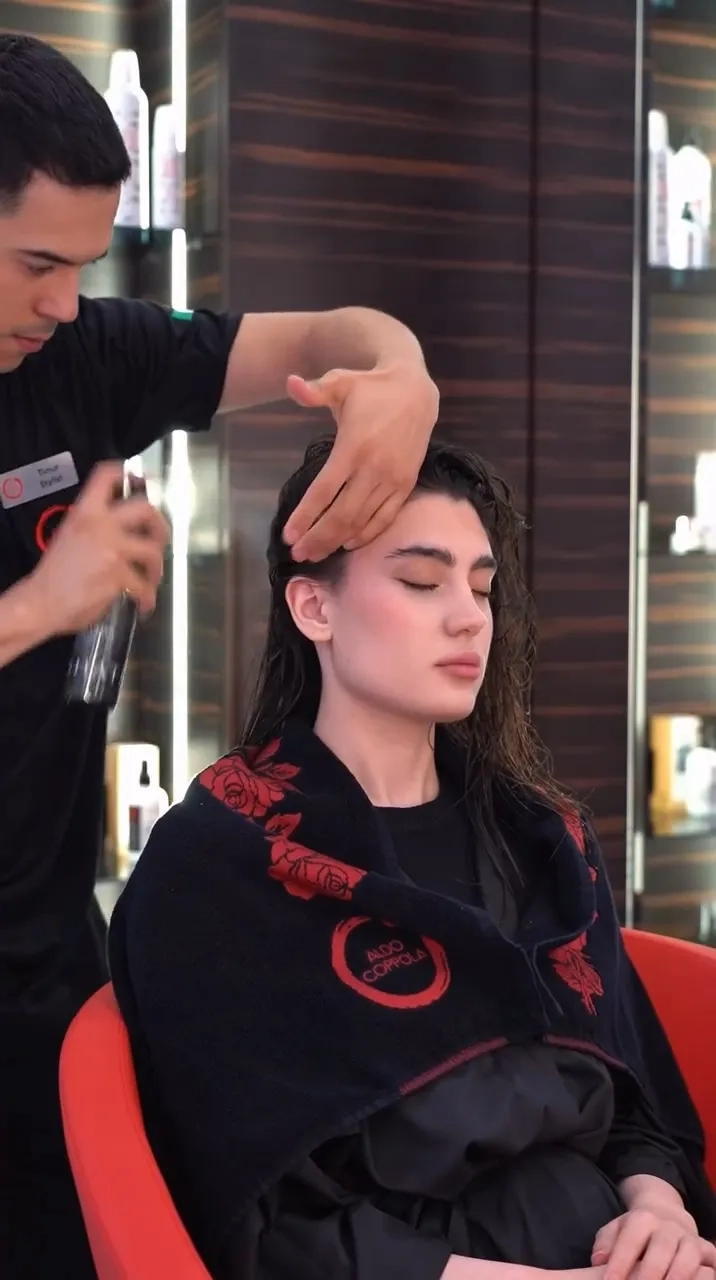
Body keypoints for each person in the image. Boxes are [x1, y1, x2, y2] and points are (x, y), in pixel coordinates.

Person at [0, 33, 439, 1279]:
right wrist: (37, 606)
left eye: (83, 268)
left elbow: (330, 332)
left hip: (42, 949)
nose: (62, 302)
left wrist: (397, 372)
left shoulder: (86, 352)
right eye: (36, 264)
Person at [110, 438, 716, 1280]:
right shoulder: (222, 863)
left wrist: (661, 1212)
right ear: (314, 608)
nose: (469, 618)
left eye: (482, 588)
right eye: (423, 582)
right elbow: (265, 1217)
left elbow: (638, 1110)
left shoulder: (542, 840)